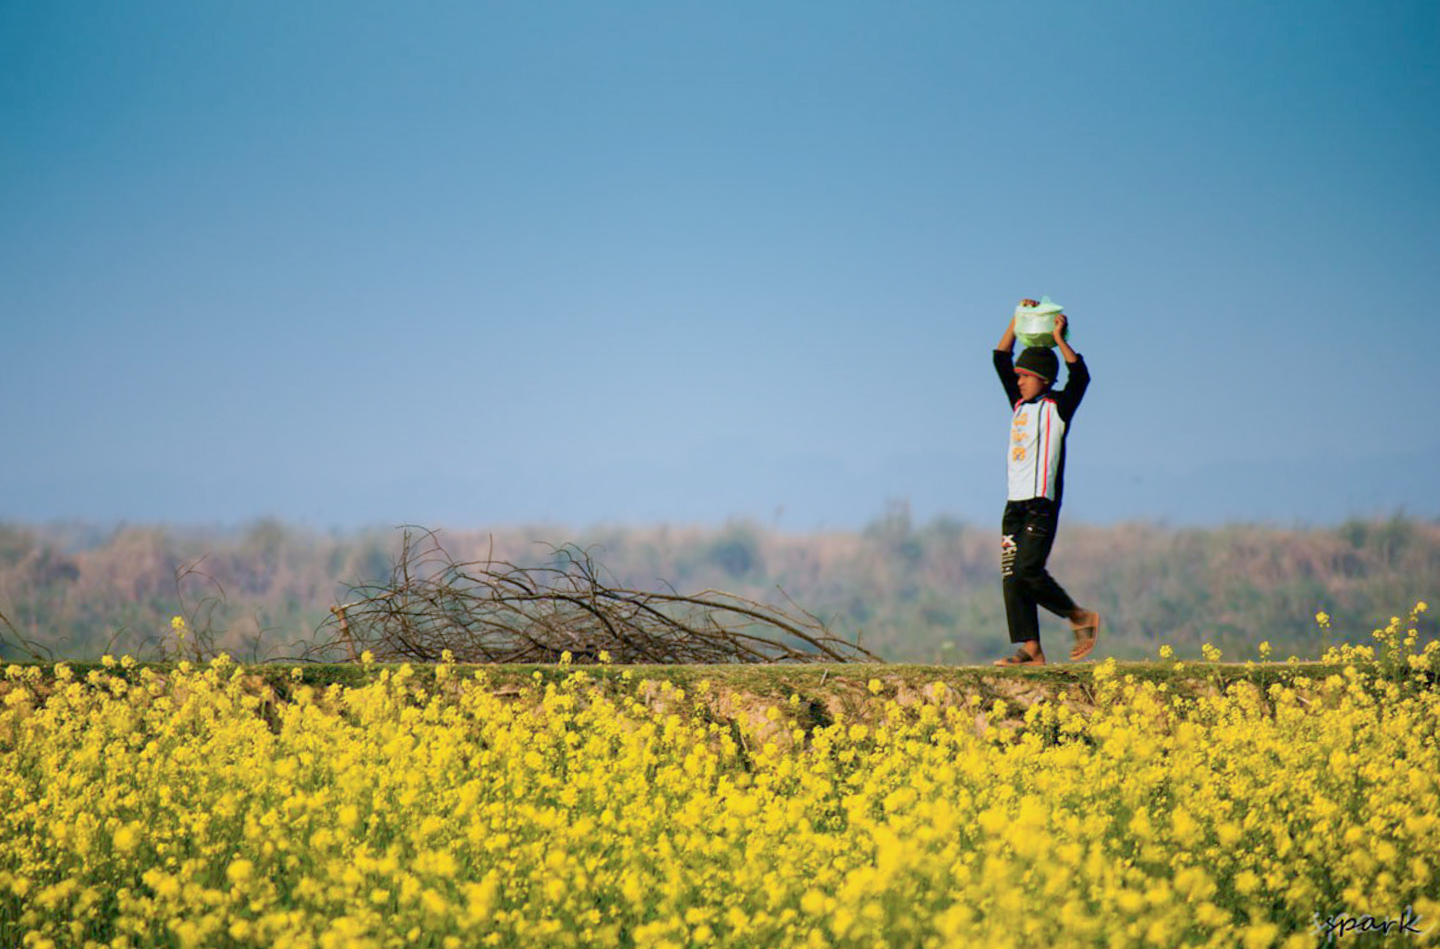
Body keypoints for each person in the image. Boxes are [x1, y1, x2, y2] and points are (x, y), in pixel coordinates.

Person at [991, 300, 1101, 665]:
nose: (1019, 381)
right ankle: (1031, 649)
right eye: (1018, 376)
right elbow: (1000, 358)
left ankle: (1079, 615)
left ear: (1043, 379)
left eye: (1026, 376)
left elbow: (1080, 376)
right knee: (1011, 576)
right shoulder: (1018, 404)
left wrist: (1058, 337)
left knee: (1028, 570)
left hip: (1042, 502)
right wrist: (1018, 320)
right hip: (1014, 504)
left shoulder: (1059, 407)